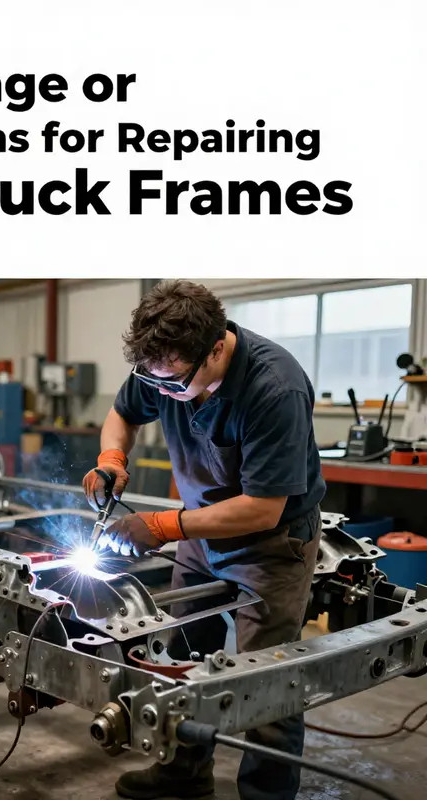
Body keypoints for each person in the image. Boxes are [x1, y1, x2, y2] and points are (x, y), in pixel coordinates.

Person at [82, 280, 326, 800]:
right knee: (183, 659)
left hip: (273, 544)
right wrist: (112, 459)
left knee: (268, 682)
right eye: (152, 380)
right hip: (201, 532)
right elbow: (123, 414)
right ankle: (183, 775)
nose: (161, 391)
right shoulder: (163, 365)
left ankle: (266, 795)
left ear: (216, 349)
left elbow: (263, 508)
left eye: (172, 384)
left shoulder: (273, 387)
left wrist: (164, 526)